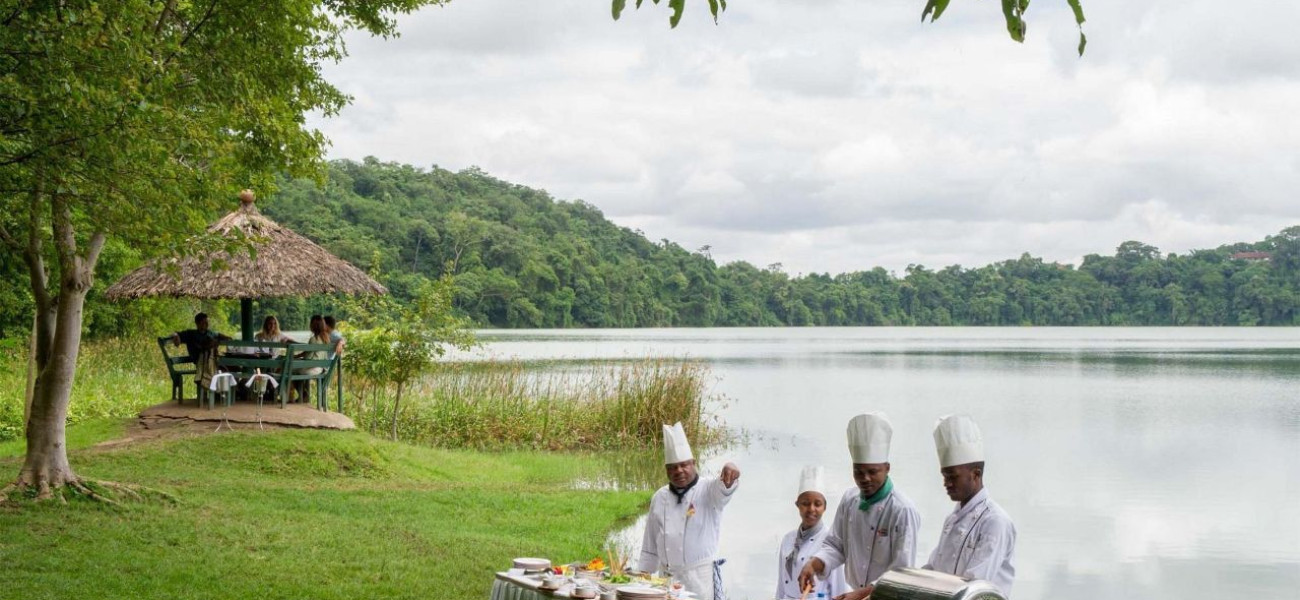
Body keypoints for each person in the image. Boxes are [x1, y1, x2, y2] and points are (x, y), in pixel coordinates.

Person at [801, 413, 921, 600]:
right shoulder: (850, 499)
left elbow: (901, 576)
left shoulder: (902, 510)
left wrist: (861, 595)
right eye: (858, 472)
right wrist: (814, 564)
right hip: (856, 591)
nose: (864, 479)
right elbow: (836, 545)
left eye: (872, 472)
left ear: (887, 468)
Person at [638, 422, 741, 600]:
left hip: (699, 582)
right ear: (666, 470)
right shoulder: (659, 497)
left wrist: (730, 473)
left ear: (693, 463)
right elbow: (650, 545)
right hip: (666, 582)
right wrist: (642, 578)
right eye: (673, 467)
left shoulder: (708, 490)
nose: (679, 470)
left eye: (684, 465)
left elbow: (724, 489)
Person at [922, 414, 1017, 597]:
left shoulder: (995, 522)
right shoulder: (952, 519)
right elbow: (933, 570)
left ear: (975, 474)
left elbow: (975, 587)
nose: (946, 483)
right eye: (944, 476)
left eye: (952, 477)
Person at [776, 466, 847, 600]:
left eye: (817, 504)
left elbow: (839, 589)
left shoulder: (832, 542)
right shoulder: (788, 539)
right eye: (805, 503)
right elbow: (781, 586)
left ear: (824, 507)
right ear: (797, 504)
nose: (811, 509)